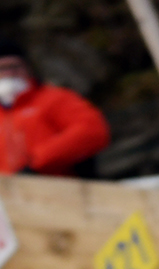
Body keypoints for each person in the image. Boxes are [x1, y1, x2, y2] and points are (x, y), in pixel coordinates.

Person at [0, 37, 110, 176]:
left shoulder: (53, 98)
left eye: (14, 66)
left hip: (59, 186)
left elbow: (91, 131)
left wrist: (36, 162)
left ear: (28, 67)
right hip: (8, 193)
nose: (9, 73)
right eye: (2, 68)